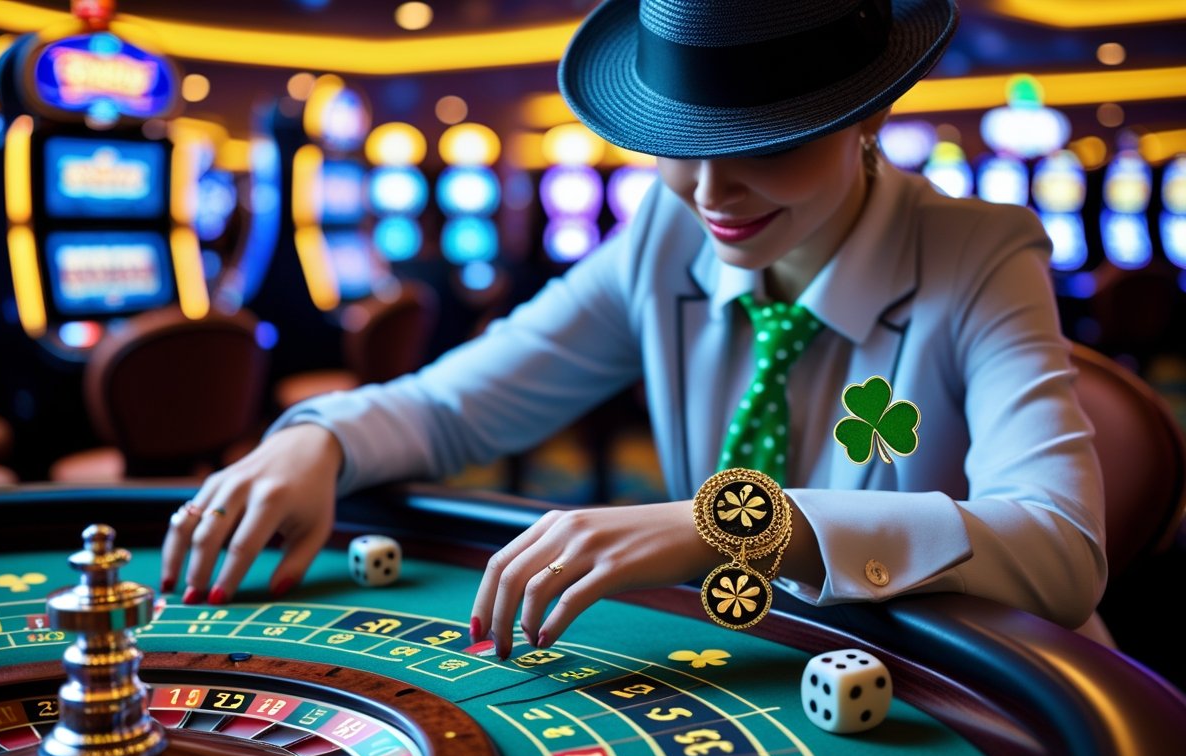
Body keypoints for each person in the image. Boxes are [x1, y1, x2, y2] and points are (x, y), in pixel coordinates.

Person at [162, 0, 1106, 658]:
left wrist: (731, 525)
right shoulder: (664, 235)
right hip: (751, 657)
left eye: (762, 142)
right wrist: (321, 441)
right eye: (678, 141)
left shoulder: (979, 251)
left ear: (871, 116)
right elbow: (456, 405)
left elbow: (1060, 551)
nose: (708, 192)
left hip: (966, 681)